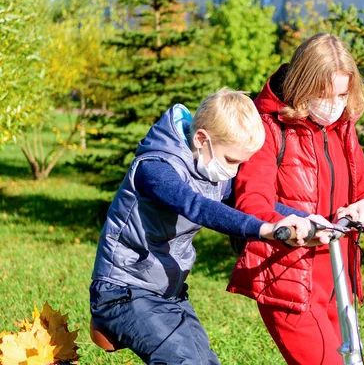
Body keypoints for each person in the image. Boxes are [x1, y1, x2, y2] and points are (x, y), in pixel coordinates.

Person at [89, 88, 330, 365]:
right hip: (122, 291)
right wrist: (264, 230)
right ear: (202, 139)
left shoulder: (208, 167)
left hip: (168, 295)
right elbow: (196, 206)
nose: (234, 170)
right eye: (231, 160)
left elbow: (251, 201)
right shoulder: (155, 168)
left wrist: (307, 218)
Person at [227, 33, 364, 364]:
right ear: (303, 85)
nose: (334, 104)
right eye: (325, 94)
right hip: (289, 283)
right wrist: (295, 226)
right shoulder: (269, 127)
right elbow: (252, 203)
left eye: (342, 94)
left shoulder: (341, 127)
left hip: (336, 281)